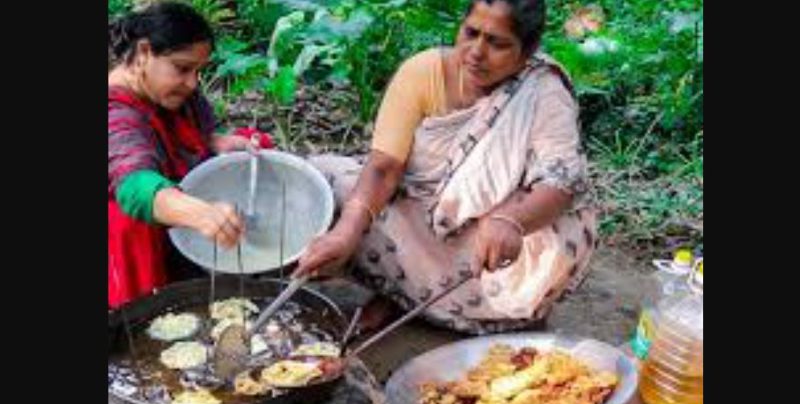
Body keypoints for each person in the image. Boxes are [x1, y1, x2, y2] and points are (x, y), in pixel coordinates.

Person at [296, 0, 596, 334]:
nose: (476, 52)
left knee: (551, 249)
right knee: (325, 183)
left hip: (495, 241)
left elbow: (559, 182)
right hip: (419, 222)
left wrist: (512, 220)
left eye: (497, 43)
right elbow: (384, 167)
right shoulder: (423, 72)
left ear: (528, 52)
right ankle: (400, 292)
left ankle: (425, 300)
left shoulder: (542, 91)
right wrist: (345, 233)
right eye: (471, 33)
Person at [108, 2, 271, 308]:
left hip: (179, 199)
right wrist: (203, 214)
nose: (193, 83)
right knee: (126, 222)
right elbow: (134, 185)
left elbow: (188, 136)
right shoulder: (115, 113)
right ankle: (143, 309)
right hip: (135, 237)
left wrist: (216, 142)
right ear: (143, 53)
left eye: (199, 71)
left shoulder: (167, 92)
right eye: (183, 69)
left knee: (253, 144)